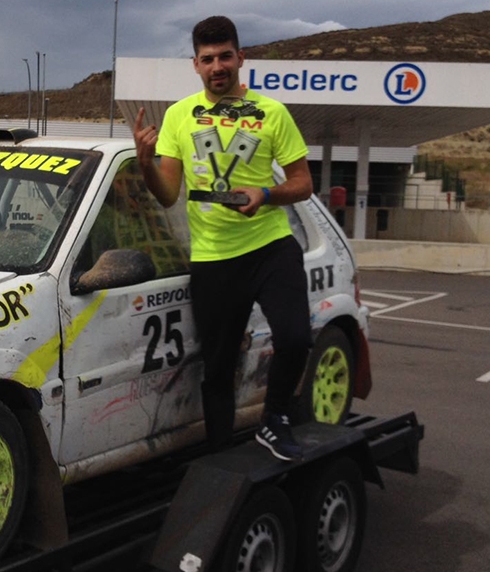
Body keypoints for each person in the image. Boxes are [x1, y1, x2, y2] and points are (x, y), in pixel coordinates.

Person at [133, 15, 314, 461]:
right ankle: (220, 457)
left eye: (225, 56)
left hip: (271, 245)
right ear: (195, 64)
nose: (218, 66)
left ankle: (274, 419)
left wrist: (266, 193)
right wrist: (145, 164)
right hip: (214, 259)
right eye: (208, 59)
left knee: (295, 337)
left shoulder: (272, 113)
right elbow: (169, 194)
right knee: (217, 369)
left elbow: (304, 183)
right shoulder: (179, 116)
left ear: (241, 58)